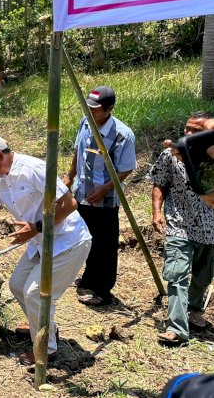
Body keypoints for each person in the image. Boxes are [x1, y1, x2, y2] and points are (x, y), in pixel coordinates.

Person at [0, 134, 92, 365]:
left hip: (68, 242)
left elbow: (69, 204)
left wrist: (36, 228)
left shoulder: (33, 169)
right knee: (17, 285)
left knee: (34, 293)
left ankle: (46, 350)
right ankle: (46, 328)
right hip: (40, 243)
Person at [64, 85, 136, 306]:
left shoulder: (122, 135)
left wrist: (105, 188)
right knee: (83, 237)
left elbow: (126, 168)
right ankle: (87, 278)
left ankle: (101, 290)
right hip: (82, 192)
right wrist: (69, 177)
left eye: (95, 110)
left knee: (104, 244)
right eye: (88, 108)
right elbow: (78, 151)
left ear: (109, 109)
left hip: (104, 199)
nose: (90, 113)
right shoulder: (84, 123)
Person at [149, 111, 214, 346]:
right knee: (177, 275)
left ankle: (195, 310)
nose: (188, 134)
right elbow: (159, 183)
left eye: (195, 131)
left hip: (210, 229)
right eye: (187, 128)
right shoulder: (170, 155)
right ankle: (177, 328)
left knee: (203, 275)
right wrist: (157, 212)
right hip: (178, 224)